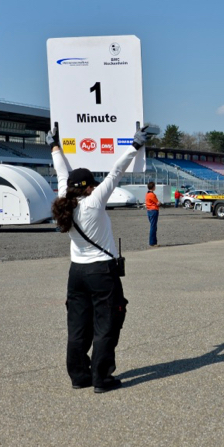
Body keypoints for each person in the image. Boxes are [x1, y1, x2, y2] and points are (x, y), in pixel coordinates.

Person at [49, 124, 148, 393]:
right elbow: (117, 170)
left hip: (76, 273)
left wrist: (55, 146)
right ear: (91, 188)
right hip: (102, 272)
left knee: (78, 327)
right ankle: (101, 378)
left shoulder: (63, 201)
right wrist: (135, 145)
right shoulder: (94, 202)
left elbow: (61, 174)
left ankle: (79, 375)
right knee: (107, 323)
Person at [146, 182, 159, 247]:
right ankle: (152, 242)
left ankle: (153, 242)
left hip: (149, 210)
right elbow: (157, 202)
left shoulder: (147, 194)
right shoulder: (152, 195)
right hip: (153, 210)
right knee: (153, 226)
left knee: (152, 226)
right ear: (153, 187)